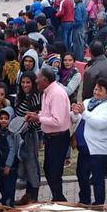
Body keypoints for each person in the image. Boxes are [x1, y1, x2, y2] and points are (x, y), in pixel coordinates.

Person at [26, 65, 71, 202]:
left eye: (38, 78)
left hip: (58, 138)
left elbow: (57, 120)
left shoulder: (56, 94)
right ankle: (58, 198)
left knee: (54, 172)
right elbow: (49, 114)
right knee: (49, 169)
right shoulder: (47, 92)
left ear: (45, 79)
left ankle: (60, 200)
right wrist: (38, 114)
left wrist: (38, 118)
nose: (36, 81)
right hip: (51, 138)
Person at [72, 79, 107, 205]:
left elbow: (100, 124)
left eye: (100, 90)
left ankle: (99, 204)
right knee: (82, 176)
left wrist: (84, 113)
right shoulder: (87, 102)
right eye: (95, 89)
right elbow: (78, 119)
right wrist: (75, 113)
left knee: (97, 179)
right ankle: (84, 200)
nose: (96, 92)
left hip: (98, 149)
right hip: (84, 148)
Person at [14, 71, 42, 200]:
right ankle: (28, 195)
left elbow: (38, 121)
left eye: (28, 82)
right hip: (20, 136)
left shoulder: (36, 97)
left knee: (31, 166)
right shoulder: (21, 96)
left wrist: (24, 126)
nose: (25, 85)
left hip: (29, 136)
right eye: (23, 82)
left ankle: (33, 197)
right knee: (24, 165)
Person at [0, 108, 20, 206]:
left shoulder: (11, 133)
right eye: (1, 118)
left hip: (9, 165)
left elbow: (12, 149)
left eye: (6, 118)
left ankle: (9, 205)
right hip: (1, 163)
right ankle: (4, 202)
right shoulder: (0, 131)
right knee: (2, 185)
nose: (3, 120)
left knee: (9, 187)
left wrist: (8, 165)